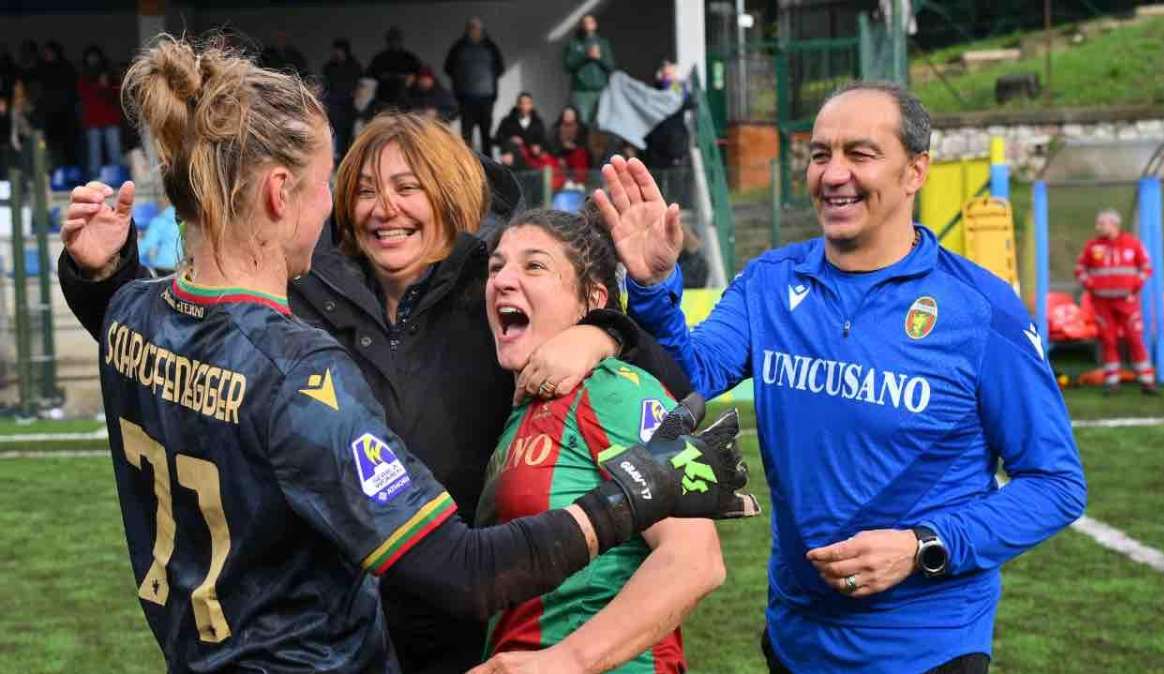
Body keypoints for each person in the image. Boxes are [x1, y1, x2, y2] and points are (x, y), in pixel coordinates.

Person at [61, 36, 754, 673]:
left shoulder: (135, 309)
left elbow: (150, 331)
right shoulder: (300, 364)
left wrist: (607, 328)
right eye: (337, 183)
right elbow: (466, 571)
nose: (348, 206)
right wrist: (637, 493)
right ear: (280, 193)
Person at [598, 81, 1087, 673]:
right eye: (820, 154)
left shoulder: (980, 313)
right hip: (796, 639)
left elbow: (1056, 484)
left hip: (927, 648)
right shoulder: (770, 283)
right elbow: (689, 375)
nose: (833, 174)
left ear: (915, 171)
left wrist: (922, 547)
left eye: (861, 154)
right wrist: (651, 288)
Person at [469, 208, 735, 674]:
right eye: (497, 267)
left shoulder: (612, 387)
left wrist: (565, 660)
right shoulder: (522, 409)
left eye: (534, 266)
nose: (504, 280)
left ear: (591, 300)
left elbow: (695, 558)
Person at [1074, 209, 1157, 394]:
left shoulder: (1132, 244)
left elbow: (1146, 267)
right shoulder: (1092, 246)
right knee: (1108, 340)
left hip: (1126, 301)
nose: (1098, 227)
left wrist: (1135, 286)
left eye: (1101, 223)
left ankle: (1147, 380)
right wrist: (1091, 285)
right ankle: (1112, 381)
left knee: (1135, 338)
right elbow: (1080, 269)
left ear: (1113, 224)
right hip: (1102, 302)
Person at [444, 17, 504, 156]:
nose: (475, 31)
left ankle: (489, 169)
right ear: (467, 30)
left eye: (477, 29)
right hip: (466, 98)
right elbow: (448, 68)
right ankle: (468, 167)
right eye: (472, 28)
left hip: (486, 98)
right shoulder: (459, 47)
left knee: (486, 135)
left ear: (482, 31)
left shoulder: (490, 47)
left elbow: (500, 68)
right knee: (466, 135)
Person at [78, 45, 124, 180]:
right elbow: (84, 94)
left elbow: (116, 94)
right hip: (93, 119)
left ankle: (116, 177)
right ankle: (95, 179)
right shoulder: (84, 75)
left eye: (95, 57)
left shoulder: (110, 74)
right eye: (90, 57)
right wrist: (100, 86)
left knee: (114, 151)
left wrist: (105, 86)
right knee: (94, 153)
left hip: (110, 118)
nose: (92, 60)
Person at [563, 14, 614, 125]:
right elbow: (568, 67)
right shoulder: (574, 44)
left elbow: (611, 66)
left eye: (590, 22)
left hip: (600, 89)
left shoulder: (603, 43)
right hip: (581, 91)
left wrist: (599, 58)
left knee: (602, 123)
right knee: (583, 123)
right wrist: (585, 57)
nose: (587, 25)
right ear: (581, 26)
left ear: (595, 25)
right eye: (584, 22)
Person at [322, 38, 363, 160]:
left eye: (338, 50)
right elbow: (326, 85)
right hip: (334, 105)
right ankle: (337, 158)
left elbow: (359, 85)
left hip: (350, 106)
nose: (336, 53)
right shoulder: (329, 67)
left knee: (348, 135)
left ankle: (346, 159)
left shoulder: (354, 66)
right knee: (335, 135)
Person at [368, 27, 422, 109]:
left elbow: (418, 73)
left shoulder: (409, 58)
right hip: (384, 95)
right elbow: (372, 74)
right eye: (392, 40)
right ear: (388, 41)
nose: (394, 42)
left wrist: (408, 78)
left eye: (397, 40)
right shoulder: (380, 58)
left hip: (405, 96)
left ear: (400, 41)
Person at [550, 104, 591, 184]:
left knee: (580, 154)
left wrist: (573, 146)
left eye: (570, 115)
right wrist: (560, 152)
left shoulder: (582, 128)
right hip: (560, 154)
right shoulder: (555, 128)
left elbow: (585, 144)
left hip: (575, 154)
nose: (568, 117)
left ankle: (579, 182)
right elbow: (551, 145)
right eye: (566, 115)